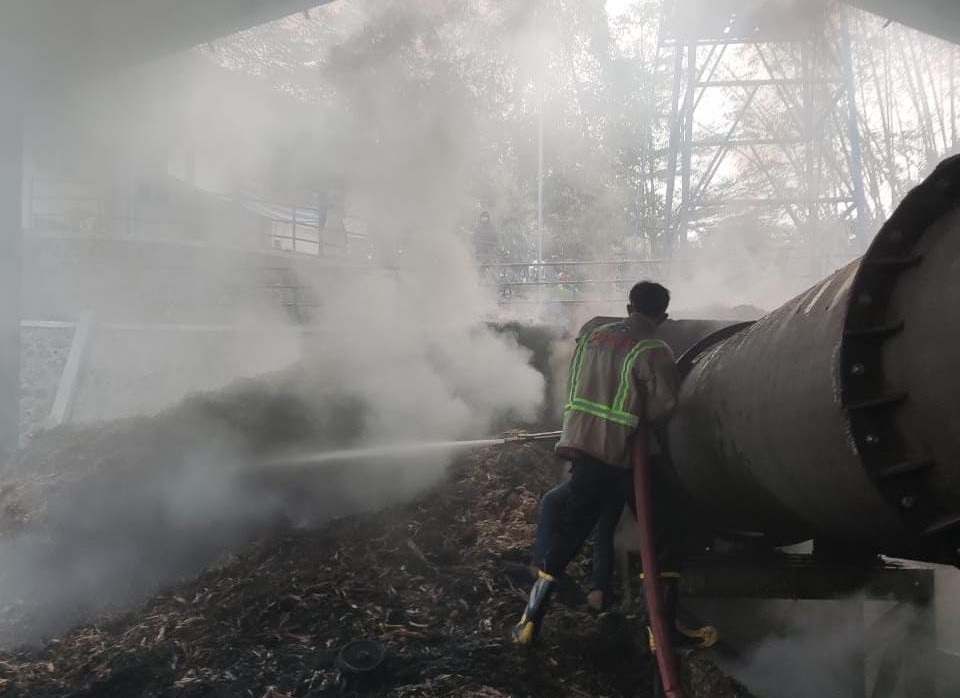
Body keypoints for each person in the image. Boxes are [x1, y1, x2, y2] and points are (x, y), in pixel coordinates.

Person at [512, 281, 680, 645]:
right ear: (662, 317)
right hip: (622, 456)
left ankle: (529, 620)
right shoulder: (654, 348)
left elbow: (574, 386)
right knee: (661, 534)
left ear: (628, 305)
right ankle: (661, 630)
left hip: (582, 450)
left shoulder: (593, 337)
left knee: (571, 534)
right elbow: (665, 407)